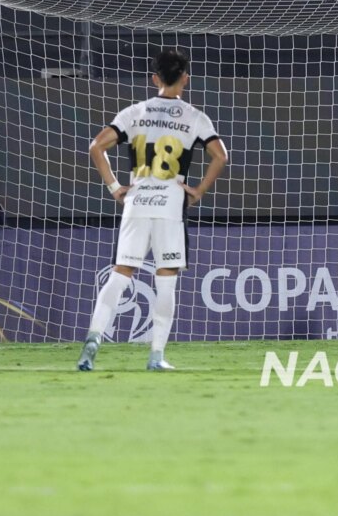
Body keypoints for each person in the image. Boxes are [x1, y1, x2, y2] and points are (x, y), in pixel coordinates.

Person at [77, 48, 228, 372]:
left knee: (121, 273)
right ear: (185, 78)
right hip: (170, 203)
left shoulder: (135, 112)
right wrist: (198, 190)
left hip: (138, 199)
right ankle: (156, 356)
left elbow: (96, 146)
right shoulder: (194, 116)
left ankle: (93, 339)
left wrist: (115, 186)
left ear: (155, 78)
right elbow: (220, 155)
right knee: (166, 279)